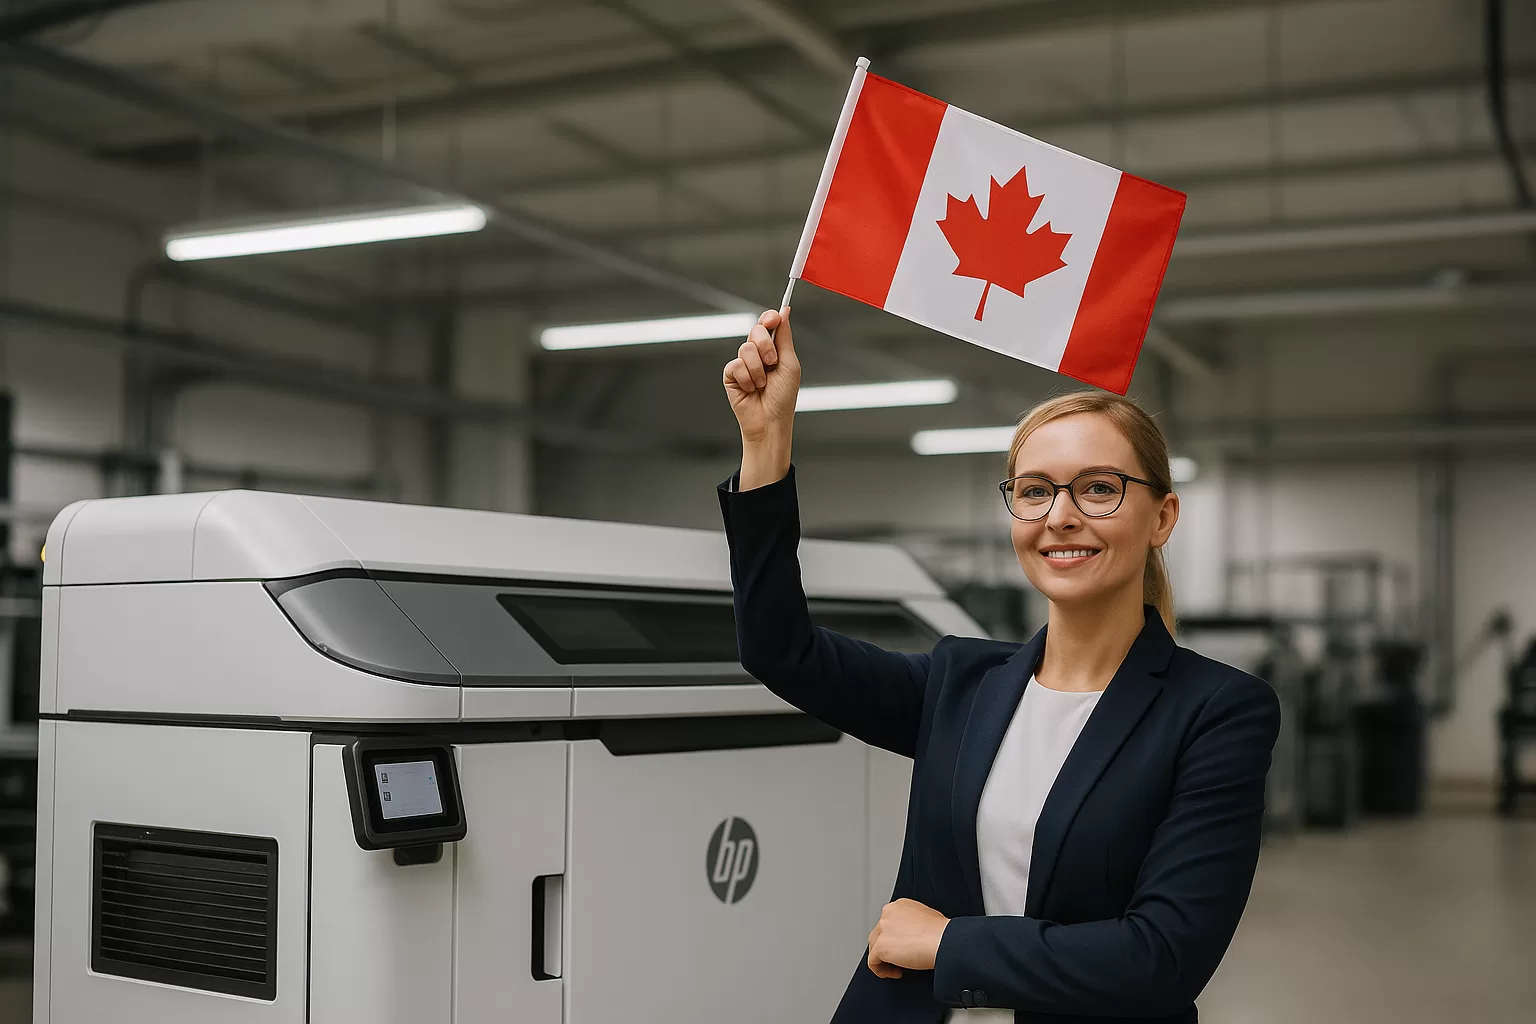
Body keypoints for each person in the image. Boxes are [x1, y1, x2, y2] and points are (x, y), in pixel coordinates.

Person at [716, 308, 1281, 1024]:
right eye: (1035, 490)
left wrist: (948, 943)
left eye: (1099, 488)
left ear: (1163, 517)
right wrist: (766, 442)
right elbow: (779, 650)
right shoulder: (959, 683)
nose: (1060, 516)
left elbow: (1160, 959)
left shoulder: (1217, 711)